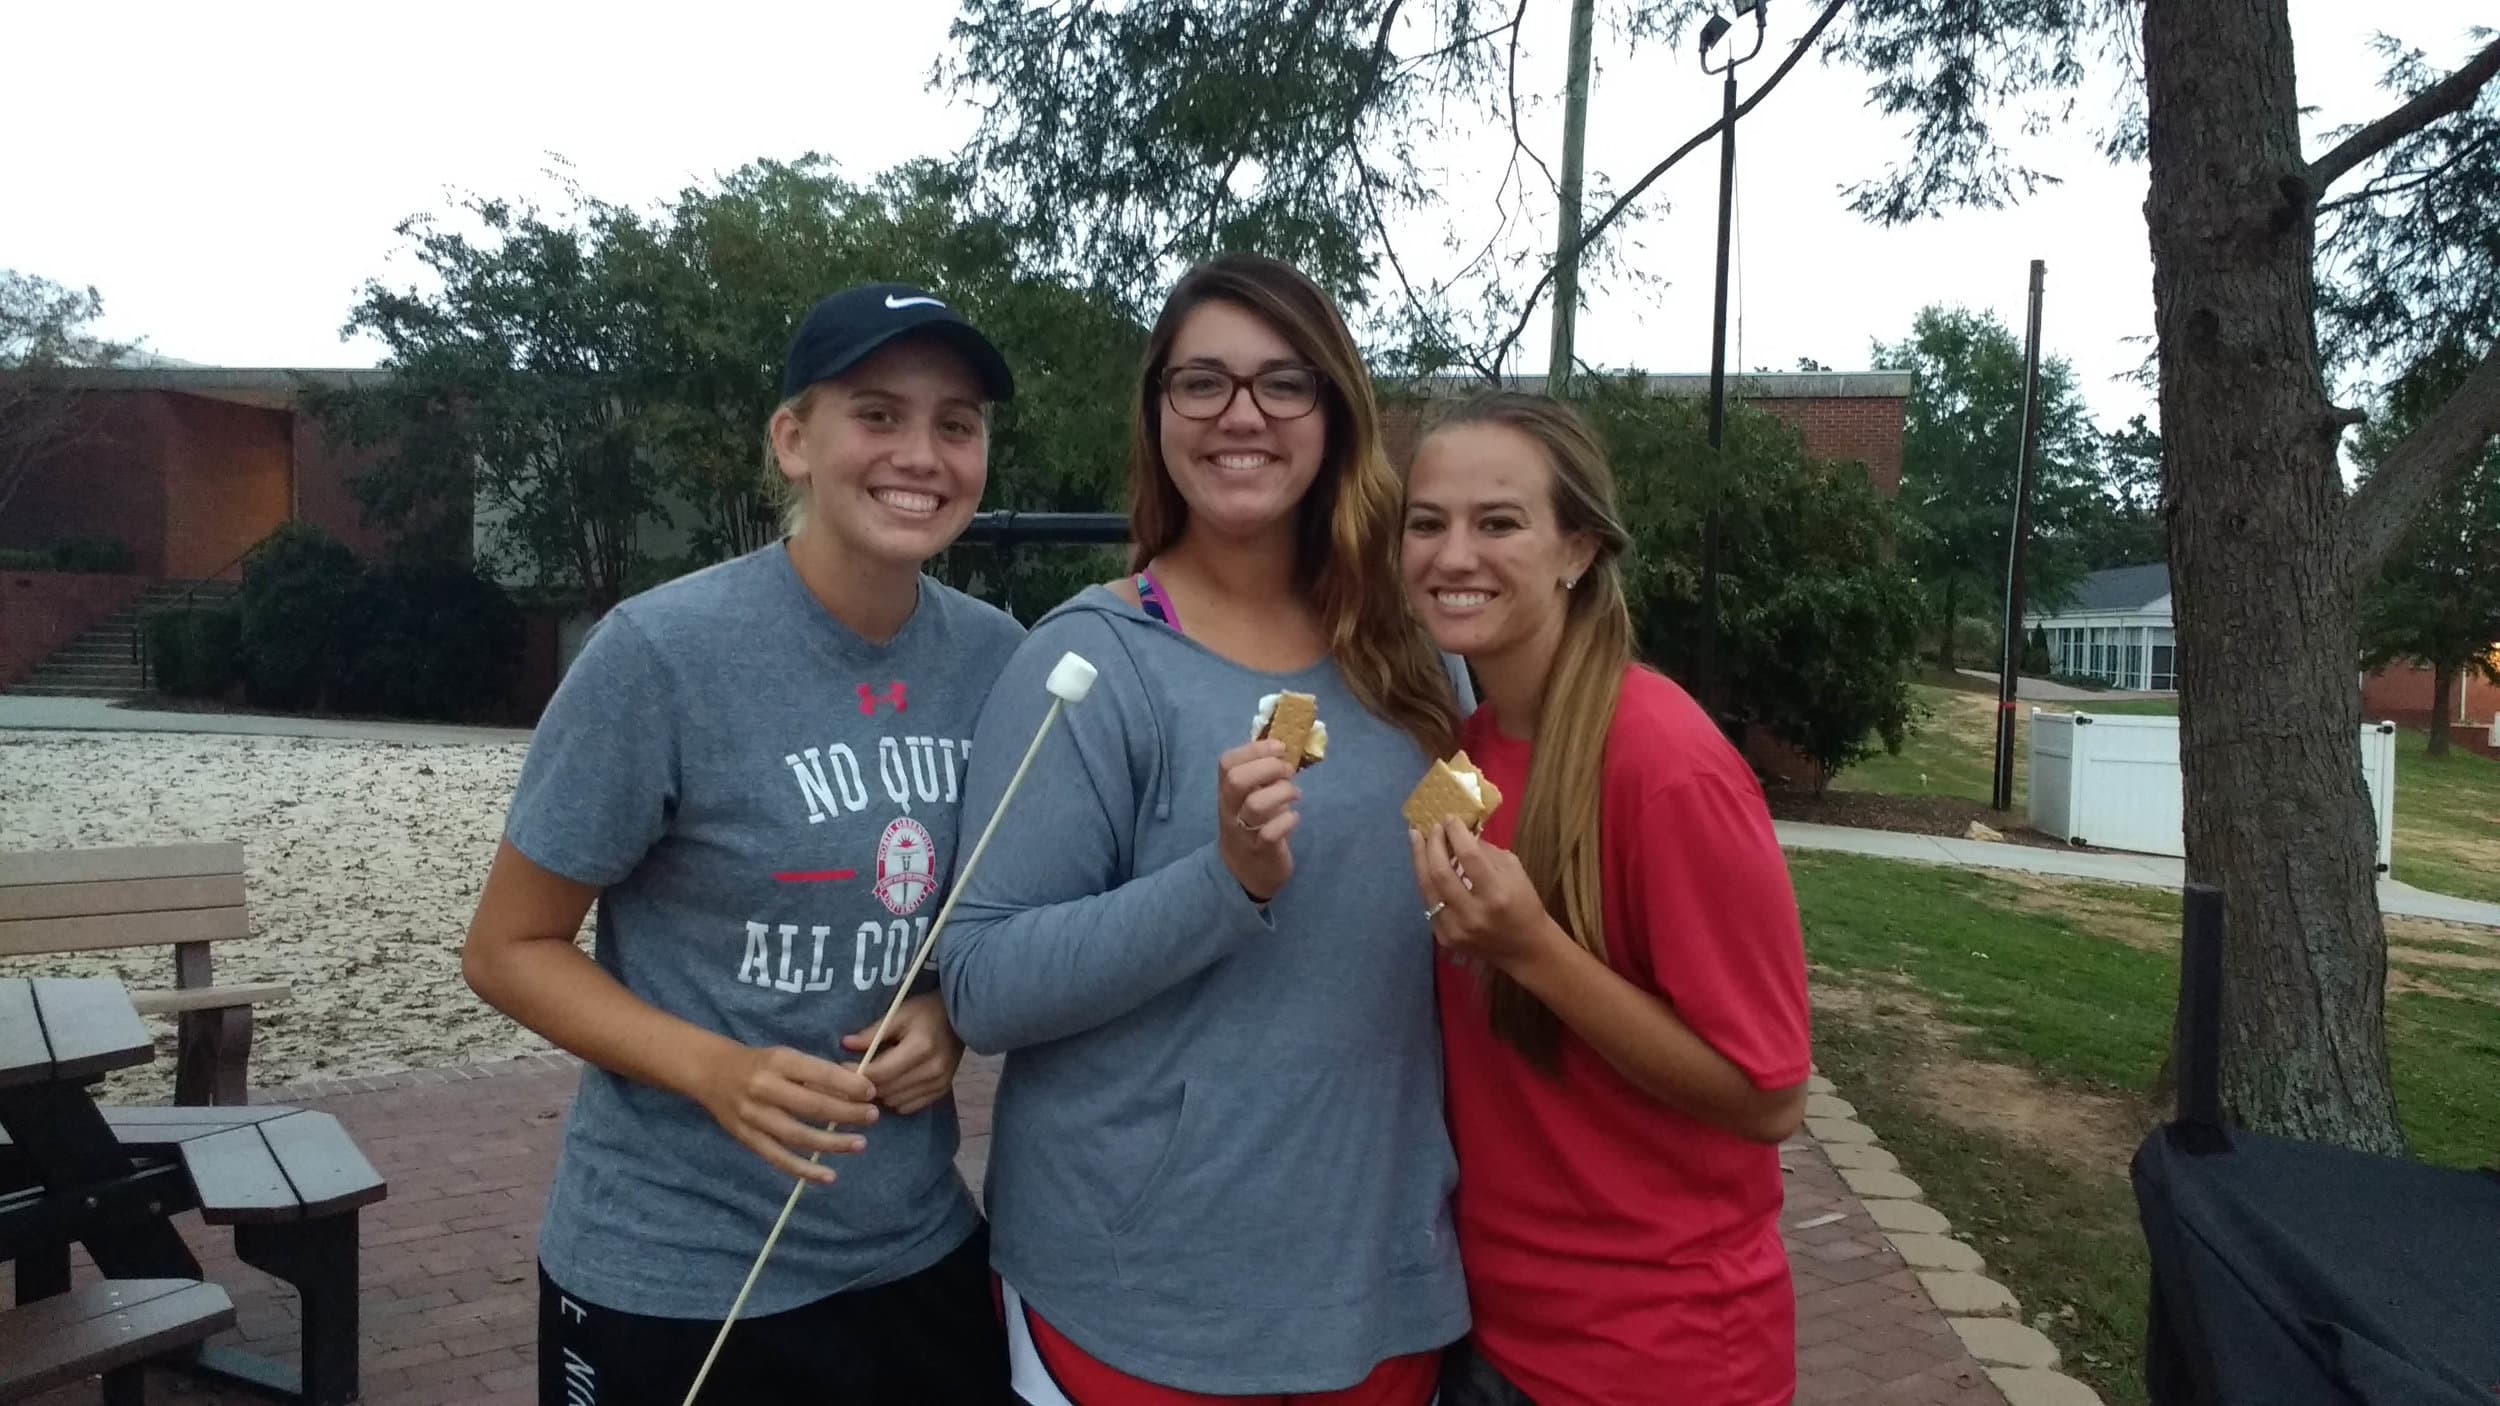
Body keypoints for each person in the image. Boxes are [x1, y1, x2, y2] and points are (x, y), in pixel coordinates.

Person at [461, 282, 1028, 1405]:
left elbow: (987, 909)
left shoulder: (999, 659)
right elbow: (510, 947)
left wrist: (951, 1014)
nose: (920, 451)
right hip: (674, 1273)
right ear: (792, 439)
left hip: (914, 1253)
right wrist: (713, 1069)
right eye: (877, 413)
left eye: (955, 423)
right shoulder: (660, 654)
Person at [936, 252, 1471, 1405]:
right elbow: (982, 979)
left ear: (1333, 412)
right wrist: (1221, 880)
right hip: (1138, 1297)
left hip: (1380, 1280)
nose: (1243, 415)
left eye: (1285, 383)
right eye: (1203, 383)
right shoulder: (1088, 662)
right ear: (1157, 414)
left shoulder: (1416, 658)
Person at [1398, 391, 1812, 1406]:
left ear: (1576, 548)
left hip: (1654, 1356)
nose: (1454, 554)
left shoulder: (1667, 762)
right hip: (1487, 1328)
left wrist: (1533, 947)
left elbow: (1770, 1096)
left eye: (1498, 522)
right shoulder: (1465, 750)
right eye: (1426, 522)